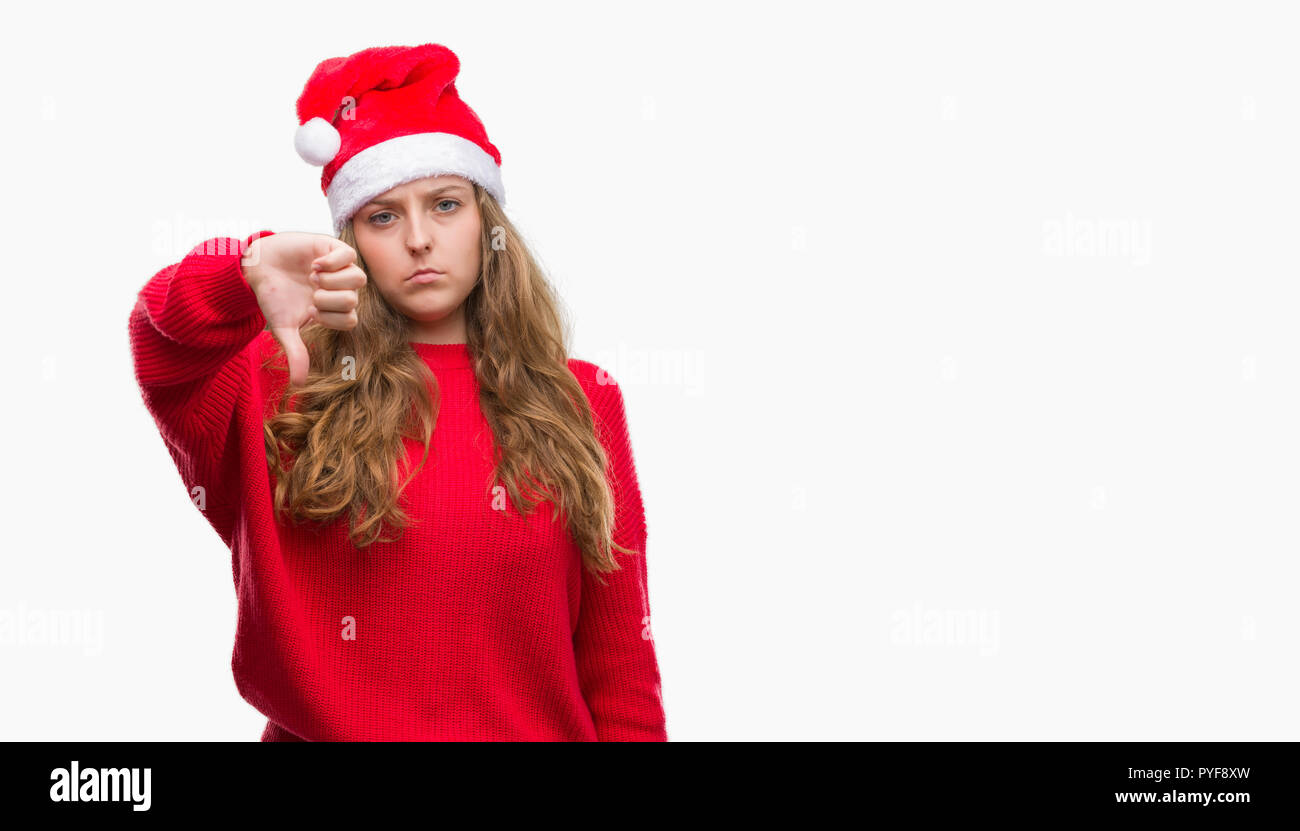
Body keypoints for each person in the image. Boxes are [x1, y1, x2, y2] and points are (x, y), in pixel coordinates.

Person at [127, 43, 667, 741]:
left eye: (445, 204)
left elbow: (621, 664)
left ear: (487, 224)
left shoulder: (585, 400)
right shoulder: (280, 380)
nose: (418, 239)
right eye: (383, 216)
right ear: (350, 238)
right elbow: (160, 340)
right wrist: (245, 272)